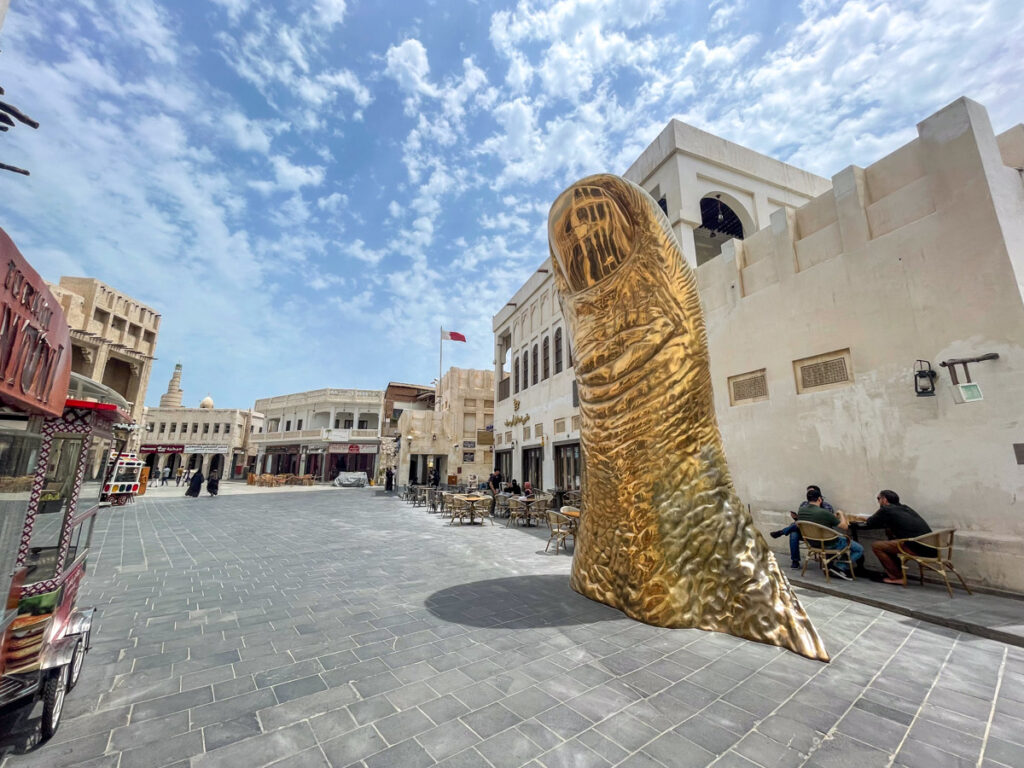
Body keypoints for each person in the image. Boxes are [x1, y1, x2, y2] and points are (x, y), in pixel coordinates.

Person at [849, 490, 933, 585]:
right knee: (890, 541)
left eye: (878, 499)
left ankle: (896, 577)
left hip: (916, 547)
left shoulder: (886, 509)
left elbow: (871, 523)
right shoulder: (906, 508)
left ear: (884, 500)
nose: (878, 501)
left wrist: (860, 517)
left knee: (877, 546)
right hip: (931, 547)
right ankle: (896, 572)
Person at [794, 489, 864, 580]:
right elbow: (844, 526)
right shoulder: (824, 512)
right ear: (819, 499)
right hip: (829, 544)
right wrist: (841, 514)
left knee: (843, 544)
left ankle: (834, 566)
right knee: (858, 549)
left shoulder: (801, 511)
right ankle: (840, 566)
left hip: (813, 543)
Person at [771, 485, 835, 569]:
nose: (810, 495)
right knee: (794, 533)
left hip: (820, 533)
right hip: (805, 532)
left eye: (811, 492)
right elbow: (802, 519)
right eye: (808, 493)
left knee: (795, 528)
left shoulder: (826, 506)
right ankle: (795, 561)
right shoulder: (804, 504)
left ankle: (782, 532)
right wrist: (796, 518)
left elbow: (825, 520)